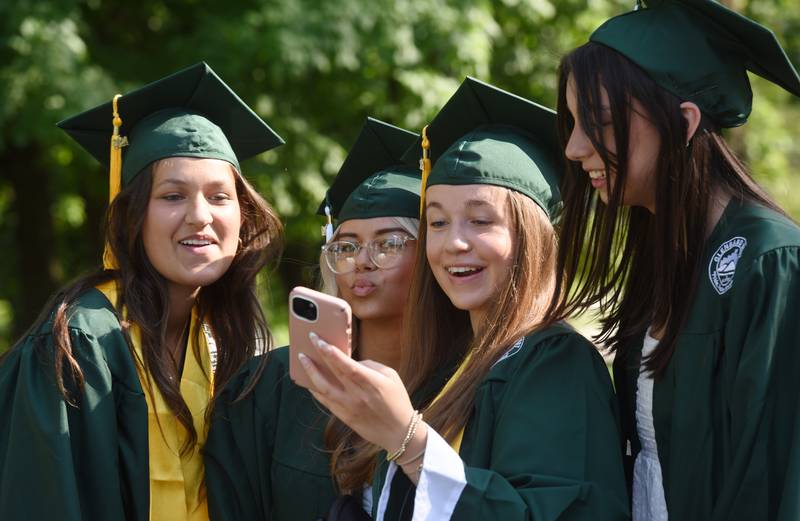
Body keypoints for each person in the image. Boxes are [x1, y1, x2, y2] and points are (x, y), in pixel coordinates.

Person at [297, 77, 630, 520]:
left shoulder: (555, 363)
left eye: (479, 220)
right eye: (437, 223)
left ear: (531, 238)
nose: (453, 243)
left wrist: (407, 439)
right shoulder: (454, 369)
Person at [0, 62, 284, 521]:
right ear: (133, 217)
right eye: (172, 196)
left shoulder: (222, 342)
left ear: (244, 217)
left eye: (219, 196)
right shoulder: (82, 342)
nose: (200, 216)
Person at [553, 1, 800, 520]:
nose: (575, 147)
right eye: (573, 122)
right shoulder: (664, 258)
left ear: (684, 123)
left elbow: (775, 486)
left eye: (596, 121)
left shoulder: (769, 263)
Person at [204, 117, 423, 520]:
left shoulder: (463, 386)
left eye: (389, 244)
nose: (361, 261)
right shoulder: (268, 385)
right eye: (346, 246)